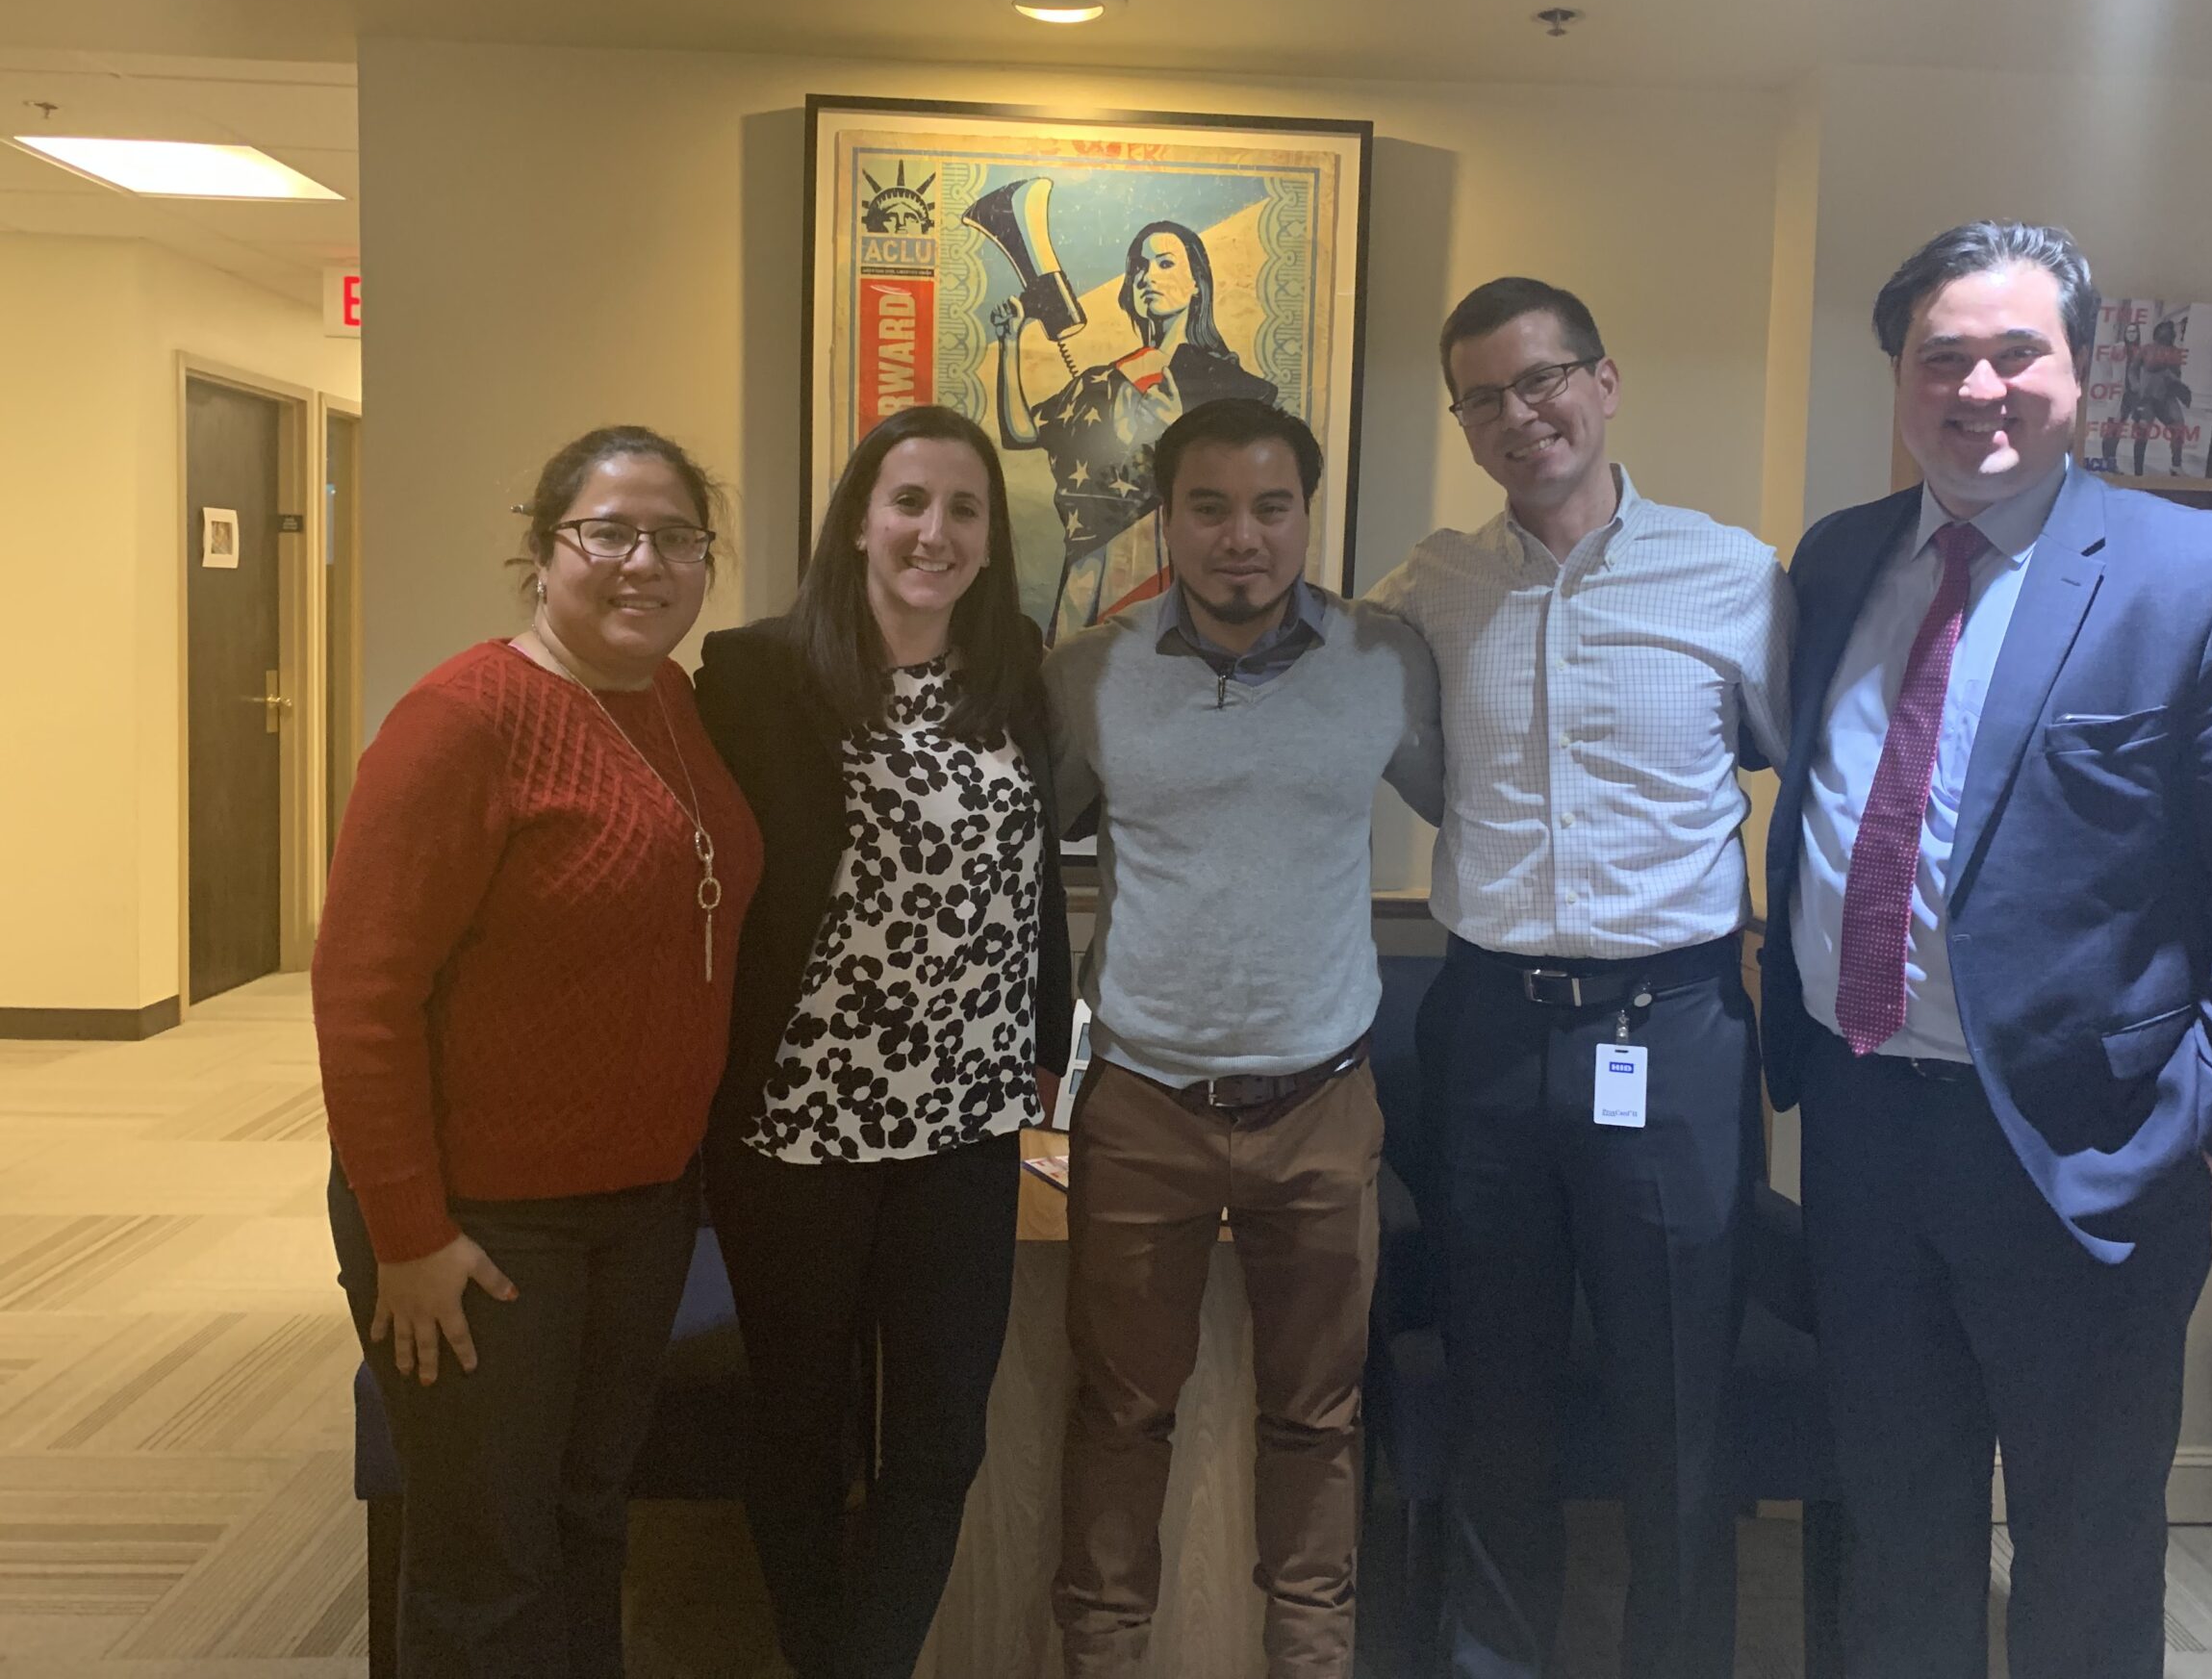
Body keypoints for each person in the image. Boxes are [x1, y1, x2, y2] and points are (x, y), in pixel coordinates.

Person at [1760, 222, 2212, 1679]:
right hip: (1859, 1133)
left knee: (2085, 1550)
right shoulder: (1841, 558)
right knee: (1892, 1531)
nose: (1979, 385)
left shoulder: (2209, 574)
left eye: (2015, 351)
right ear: (1901, 382)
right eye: (1941, 357)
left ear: (2080, 374)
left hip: (2082, 1156)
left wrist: (2198, 1118)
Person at [1368, 277, 1792, 1679]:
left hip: (1672, 1032)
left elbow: (1835, 781)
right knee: (1499, 1403)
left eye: (1542, 379)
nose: (1518, 415)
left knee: (1678, 1412)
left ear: (1604, 383)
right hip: (1486, 1029)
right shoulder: (1430, 589)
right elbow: (1344, 709)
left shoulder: (1734, 575)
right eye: (1483, 397)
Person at [315, 426, 763, 1677]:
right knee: (485, 1558)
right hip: (480, 1226)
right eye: (608, 532)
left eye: (677, 537)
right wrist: (406, 1235)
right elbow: (360, 999)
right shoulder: (461, 720)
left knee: (583, 1523)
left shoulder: (671, 701)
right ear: (543, 548)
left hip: (638, 1206)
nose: (645, 562)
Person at [1044, 395, 1442, 1679]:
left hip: (1324, 1100)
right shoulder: (1087, 671)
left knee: (1318, 1419)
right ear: (1167, 516)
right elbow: (1008, 846)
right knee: (1118, 1413)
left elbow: (1488, 801)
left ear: (1306, 516)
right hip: (1144, 1102)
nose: (1241, 538)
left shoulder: (1385, 660)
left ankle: (1309, 1662)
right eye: (1209, 508)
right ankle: (1104, 1656)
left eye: (1272, 508)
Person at [694, 403, 1073, 1679]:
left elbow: (1033, 878)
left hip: (963, 1130)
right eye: (910, 501)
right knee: (803, 1438)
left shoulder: (1014, 664)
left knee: (938, 1443)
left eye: (965, 510)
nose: (936, 530)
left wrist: (1044, 1040)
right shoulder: (756, 677)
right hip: (797, 1131)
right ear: (859, 520)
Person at [993, 219, 1278, 637]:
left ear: (1198, 282)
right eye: (1140, 268)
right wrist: (1010, 341)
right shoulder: (1100, 379)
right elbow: (1020, 432)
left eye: (1165, 263)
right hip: (1095, 566)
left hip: (1180, 565)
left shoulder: (1228, 384)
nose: (1148, 277)